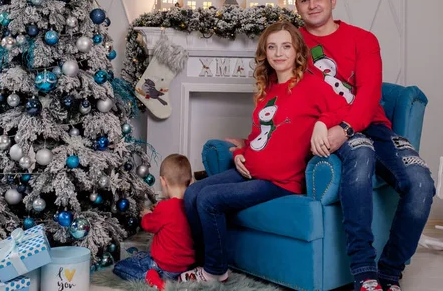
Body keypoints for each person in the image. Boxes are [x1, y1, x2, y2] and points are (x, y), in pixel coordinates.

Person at [293, 0, 435, 291]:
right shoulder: (292, 43)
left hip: (373, 126)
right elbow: (293, 98)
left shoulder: (363, 39)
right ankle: (365, 273)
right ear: (297, 7)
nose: (312, 4)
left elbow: (370, 95)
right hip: (328, 129)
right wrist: (328, 126)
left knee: (422, 185)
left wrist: (345, 127)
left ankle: (389, 272)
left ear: (333, 0)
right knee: (360, 157)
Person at [180, 21, 351, 283]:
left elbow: (346, 108)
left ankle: (216, 272)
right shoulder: (267, 88)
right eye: (272, 47)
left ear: (297, 52)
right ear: (265, 52)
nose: (278, 53)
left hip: (279, 182)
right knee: (193, 191)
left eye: (285, 46)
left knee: (209, 199)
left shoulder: (311, 85)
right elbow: (259, 136)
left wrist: (322, 122)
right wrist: (239, 153)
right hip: (251, 170)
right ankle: (203, 262)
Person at [112, 154, 195, 290]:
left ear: (163, 181)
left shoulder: (164, 207)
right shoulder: (193, 206)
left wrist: (146, 215)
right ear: (191, 182)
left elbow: (148, 224)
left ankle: (151, 278)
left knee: (120, 266)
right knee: (142, 255)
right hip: (185, 266)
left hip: (164, 267)